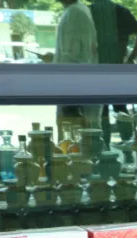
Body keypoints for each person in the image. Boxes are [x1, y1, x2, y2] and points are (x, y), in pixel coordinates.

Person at [89, 0, 137, 162]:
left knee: (102, 112)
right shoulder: (121, 11)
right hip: (118, 71)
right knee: (121, 111)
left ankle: (105, 153)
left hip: (95, 72)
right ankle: (128, 154)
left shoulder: (88, 12)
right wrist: (130, 59)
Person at [46, 0, 100, 136]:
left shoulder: (76, 12)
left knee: (73, 134)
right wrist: (55, 59)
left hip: (73, 87)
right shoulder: (75, 11)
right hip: (72, 86)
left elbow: (81, 55)